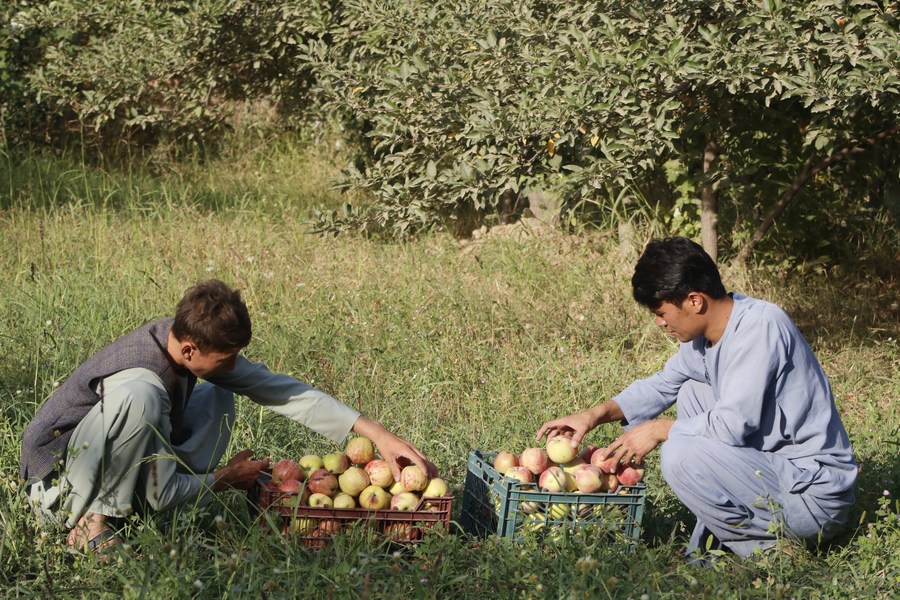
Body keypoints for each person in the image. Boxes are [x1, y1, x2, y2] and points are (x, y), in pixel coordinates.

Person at [20, 279, 436, 553]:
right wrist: (222, 480)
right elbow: (157, 487)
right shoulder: (141, 380)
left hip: (124, 466)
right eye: (227, 358)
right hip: (61, 487)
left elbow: (278, 389)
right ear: (189, 350)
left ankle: (158, 496)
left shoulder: (181, 338)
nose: (234, 366)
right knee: (143, 396)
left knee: (219, 389)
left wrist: (374, 431)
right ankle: (93, 525)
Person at [536, 236, 857, 561]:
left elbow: (731, 425)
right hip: (769, 475)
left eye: (662, 312)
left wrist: (659, 429)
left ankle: (765, 551)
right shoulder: (704, 338)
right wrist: (592, 415)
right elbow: (662, 385)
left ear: (694, 301)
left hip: (811, 496)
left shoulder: (760, 327)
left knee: (679, 452)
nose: (659, 323)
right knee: (690, 388)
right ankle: (718, 542)